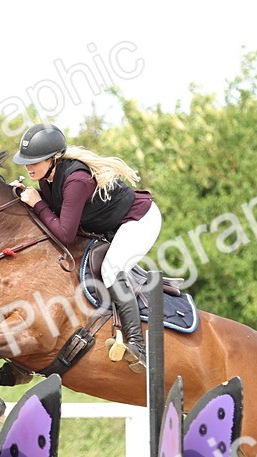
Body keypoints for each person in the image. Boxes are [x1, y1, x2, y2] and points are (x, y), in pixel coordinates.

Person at [10, 123, 162, 373]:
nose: (28, 166)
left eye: (34, 161)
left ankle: (137, 345)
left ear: (53, 159)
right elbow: (54, 210)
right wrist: (28, 195)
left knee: (112, 269)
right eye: (26, 161)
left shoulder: (76, 180)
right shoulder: (49, 177)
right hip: (113, 226)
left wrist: (36, 203)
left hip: (139, 220)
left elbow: (65, 234)